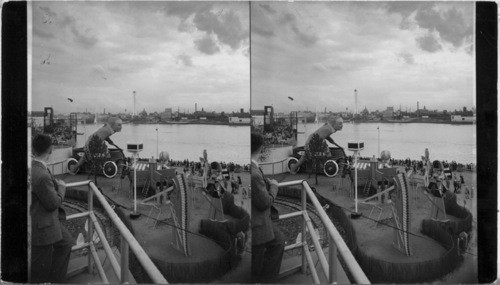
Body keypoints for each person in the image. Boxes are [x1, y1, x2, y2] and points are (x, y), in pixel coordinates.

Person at [30, 134, 74, 283]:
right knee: (40, 269)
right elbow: (53, 203)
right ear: (51, 149)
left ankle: (55, 278)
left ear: (33, 149)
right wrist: (62, 189)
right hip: (43, 225)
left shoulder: (35, 167)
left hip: (45, 220)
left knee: (66, 242)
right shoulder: (41, 174)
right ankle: (53, 279)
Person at [251, 132, 285, 283]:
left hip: (256, 219)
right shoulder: (254, 173)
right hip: (257, 224)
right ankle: (266, 280)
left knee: (277, 242)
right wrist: (274, 187)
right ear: (261, 148)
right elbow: (265, 202)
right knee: (256, 263)